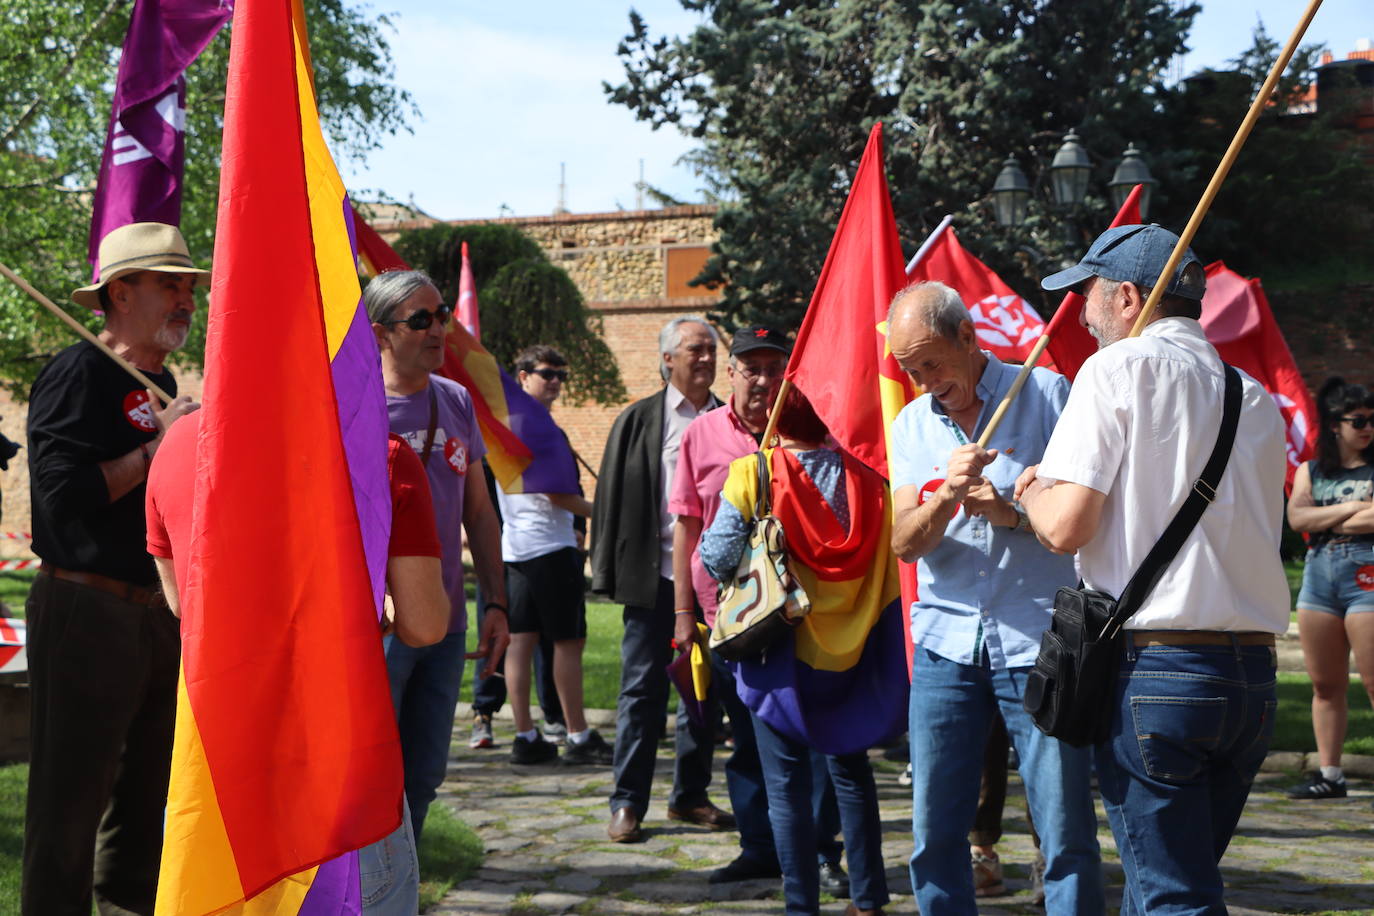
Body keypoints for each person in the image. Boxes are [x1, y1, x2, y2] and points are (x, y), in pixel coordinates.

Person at [1016, 223, 1289, 914]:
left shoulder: (1115, 369)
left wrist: (1035, 491)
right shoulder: (1252, 395)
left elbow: (1065, 528)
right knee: (1167, 884)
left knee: (1173, 896)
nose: (1079, 313)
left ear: (1129, 296)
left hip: (1159, 672)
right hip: (1251, 678)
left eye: (1088, 296)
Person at [147, 414, 449, 912]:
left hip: (215, 776)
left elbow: (184, 603)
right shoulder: (379, 450)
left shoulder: (179, 441)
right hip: (337, 777)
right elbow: (425, 623)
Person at [886, 281, 1103, 916]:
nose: (925, 380)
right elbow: (903, 543)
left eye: (932, 362)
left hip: (1037, 638)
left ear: (967, 337)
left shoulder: (1046, 395)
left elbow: (1085, 525)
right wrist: (944, 497)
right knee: (935, 832)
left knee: (1064, 831)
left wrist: (1008, 513)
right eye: (909, 369)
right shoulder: (909, 425)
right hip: (945, 647)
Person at [22, 221, 204, 915]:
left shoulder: (162, 382)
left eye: (189, 286)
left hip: (155, 614)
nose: (186, 299)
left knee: (146, 801)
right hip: (85, 608)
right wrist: (153, 453)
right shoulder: (77, 372)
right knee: (69, 806)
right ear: (120, 294)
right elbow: (59, 498)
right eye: (169, 285)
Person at [699, 385, 892, 916]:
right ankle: (869, 899)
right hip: (852, 650)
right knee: (851, 774)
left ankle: (801, 905)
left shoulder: (754, 472)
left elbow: (716, 557)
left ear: (777, 418)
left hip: (778, 650)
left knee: (784, 786)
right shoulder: (871, 477)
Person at [671, 325, 826, 887]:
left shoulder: (811, 435)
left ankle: (819, 848)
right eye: (751, 368)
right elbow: (687, 529)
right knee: (744, 739)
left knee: (811, 736)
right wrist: (684, 614)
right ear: (730, 372)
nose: (763, 380)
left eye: (773, 368)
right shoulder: (701, 436)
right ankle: (760, 846)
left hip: (804, 614)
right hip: (729, 620)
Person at [365, 269, 510, 843]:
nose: (437, 329)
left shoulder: (454, 400)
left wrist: (496, 602)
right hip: (377, 629)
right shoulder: (351, 407)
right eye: (419, 319)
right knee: (373, 773)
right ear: (379, 334)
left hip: (447, 624)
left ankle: (403, 888)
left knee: (424, 774)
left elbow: (479, 512)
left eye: (441, 314)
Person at [591, 315, 733, 843]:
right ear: (668, 358)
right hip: (652, 581)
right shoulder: (640, 420)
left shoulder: (728, 418)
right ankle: (628, 802)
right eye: (694, 349)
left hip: (714, 584)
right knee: (640, 694)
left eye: (711, 350)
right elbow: (611, 499)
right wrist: (607, 569)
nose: (705, 358)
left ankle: (690, 796)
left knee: (703, 694)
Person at [495, 345, 610, 766]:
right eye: (547, 374)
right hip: (548, 545)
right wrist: (608, 510)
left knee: (522, 642)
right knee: (567, 642)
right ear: (522, 376)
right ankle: (578, 735)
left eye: (562, 374)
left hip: (518, 546)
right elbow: (557, 494)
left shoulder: (508, 423)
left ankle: (526, 734)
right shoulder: (536, 426)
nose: (557, 382)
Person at [1284, 377, 1374, 799]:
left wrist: (1329, 515)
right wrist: (1356, 508)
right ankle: (1330, 774)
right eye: (1358, 421)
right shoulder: (1310, 470)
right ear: (1335, 425)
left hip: (1366, 578)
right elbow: (1297, 519)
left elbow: (1314, 517)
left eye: (1372, 420)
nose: (1367, 428)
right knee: (1325, 684)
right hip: (1320, 580)